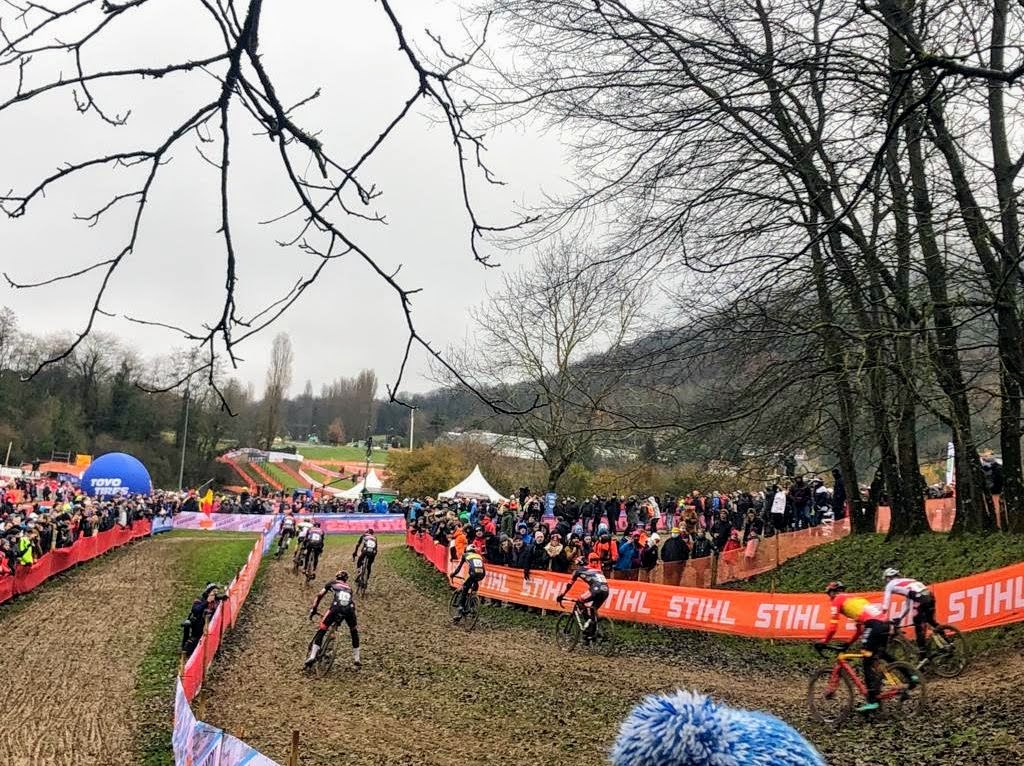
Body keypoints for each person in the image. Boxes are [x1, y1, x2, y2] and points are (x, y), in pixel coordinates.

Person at [816, 581, 910, 713]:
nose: (830, 598)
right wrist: (848, 643)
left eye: (829, 594)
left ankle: (872, 701)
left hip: (874, 625)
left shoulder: (837, 599)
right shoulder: (854, 600)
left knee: (867, 658)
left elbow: (833, 626)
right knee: (880, 654)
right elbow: (859, 629)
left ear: (833, 593)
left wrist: (824, 641)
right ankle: (910, 676)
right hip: (885, 624)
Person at [306, 569, 360, 669]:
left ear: (337, 577)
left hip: (336, 608)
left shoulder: (332, 583)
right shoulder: (349, 588)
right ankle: (357, 659)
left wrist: (314, 609)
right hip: (350, 610)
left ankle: (312, 656)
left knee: (322, 628)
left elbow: (319, 595)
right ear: (346, 580)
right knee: (354, 631)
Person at [881, 568, 939, 656]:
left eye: (886, 579)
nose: (886, 581)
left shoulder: (890, 584)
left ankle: (922, 655)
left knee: (918, 625)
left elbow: (886, 603)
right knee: (931, 621)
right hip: (929, 596)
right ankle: (947, 642)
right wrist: (900, 618)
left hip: (920, 599)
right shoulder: (910, 580)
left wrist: (882, 615)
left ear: (888, 577)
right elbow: (908, 605)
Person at [556, 552, 610, 642]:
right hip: (606, 590)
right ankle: (591, 632)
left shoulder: (579, 570)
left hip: (595, 589)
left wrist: (562, 595)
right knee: (593, 608)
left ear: (578, 564)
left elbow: (569, 585)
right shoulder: (597, 569)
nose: (575, 567)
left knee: (579, 601)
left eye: (576, 565)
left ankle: (589, 624)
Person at [450, 545, 486, 621]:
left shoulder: (465, 555)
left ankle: (460, 609)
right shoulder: (479, 556)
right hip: (482, 574)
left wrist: (453, 574)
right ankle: (473, 606)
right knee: (474, 590)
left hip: (473, 574)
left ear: (467, 550)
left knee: (465, 589)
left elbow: (459, 568)